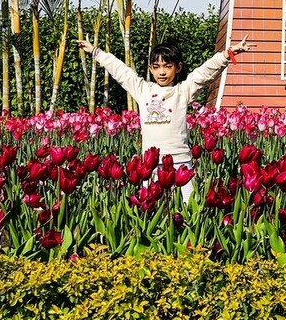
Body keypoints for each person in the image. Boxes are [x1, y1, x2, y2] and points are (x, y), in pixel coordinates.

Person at [76, 35, 254, 200]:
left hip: (181, 162)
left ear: (178, 68)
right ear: (150, 69)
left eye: (168, 66)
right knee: (153, 208)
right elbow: (121, 71)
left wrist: (226, 55)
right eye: (156, 67)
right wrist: (95, 52)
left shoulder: (182, 91)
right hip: (152, 165)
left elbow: (203, 73)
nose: (162, 72)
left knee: (187, 209)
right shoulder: (143, 90)